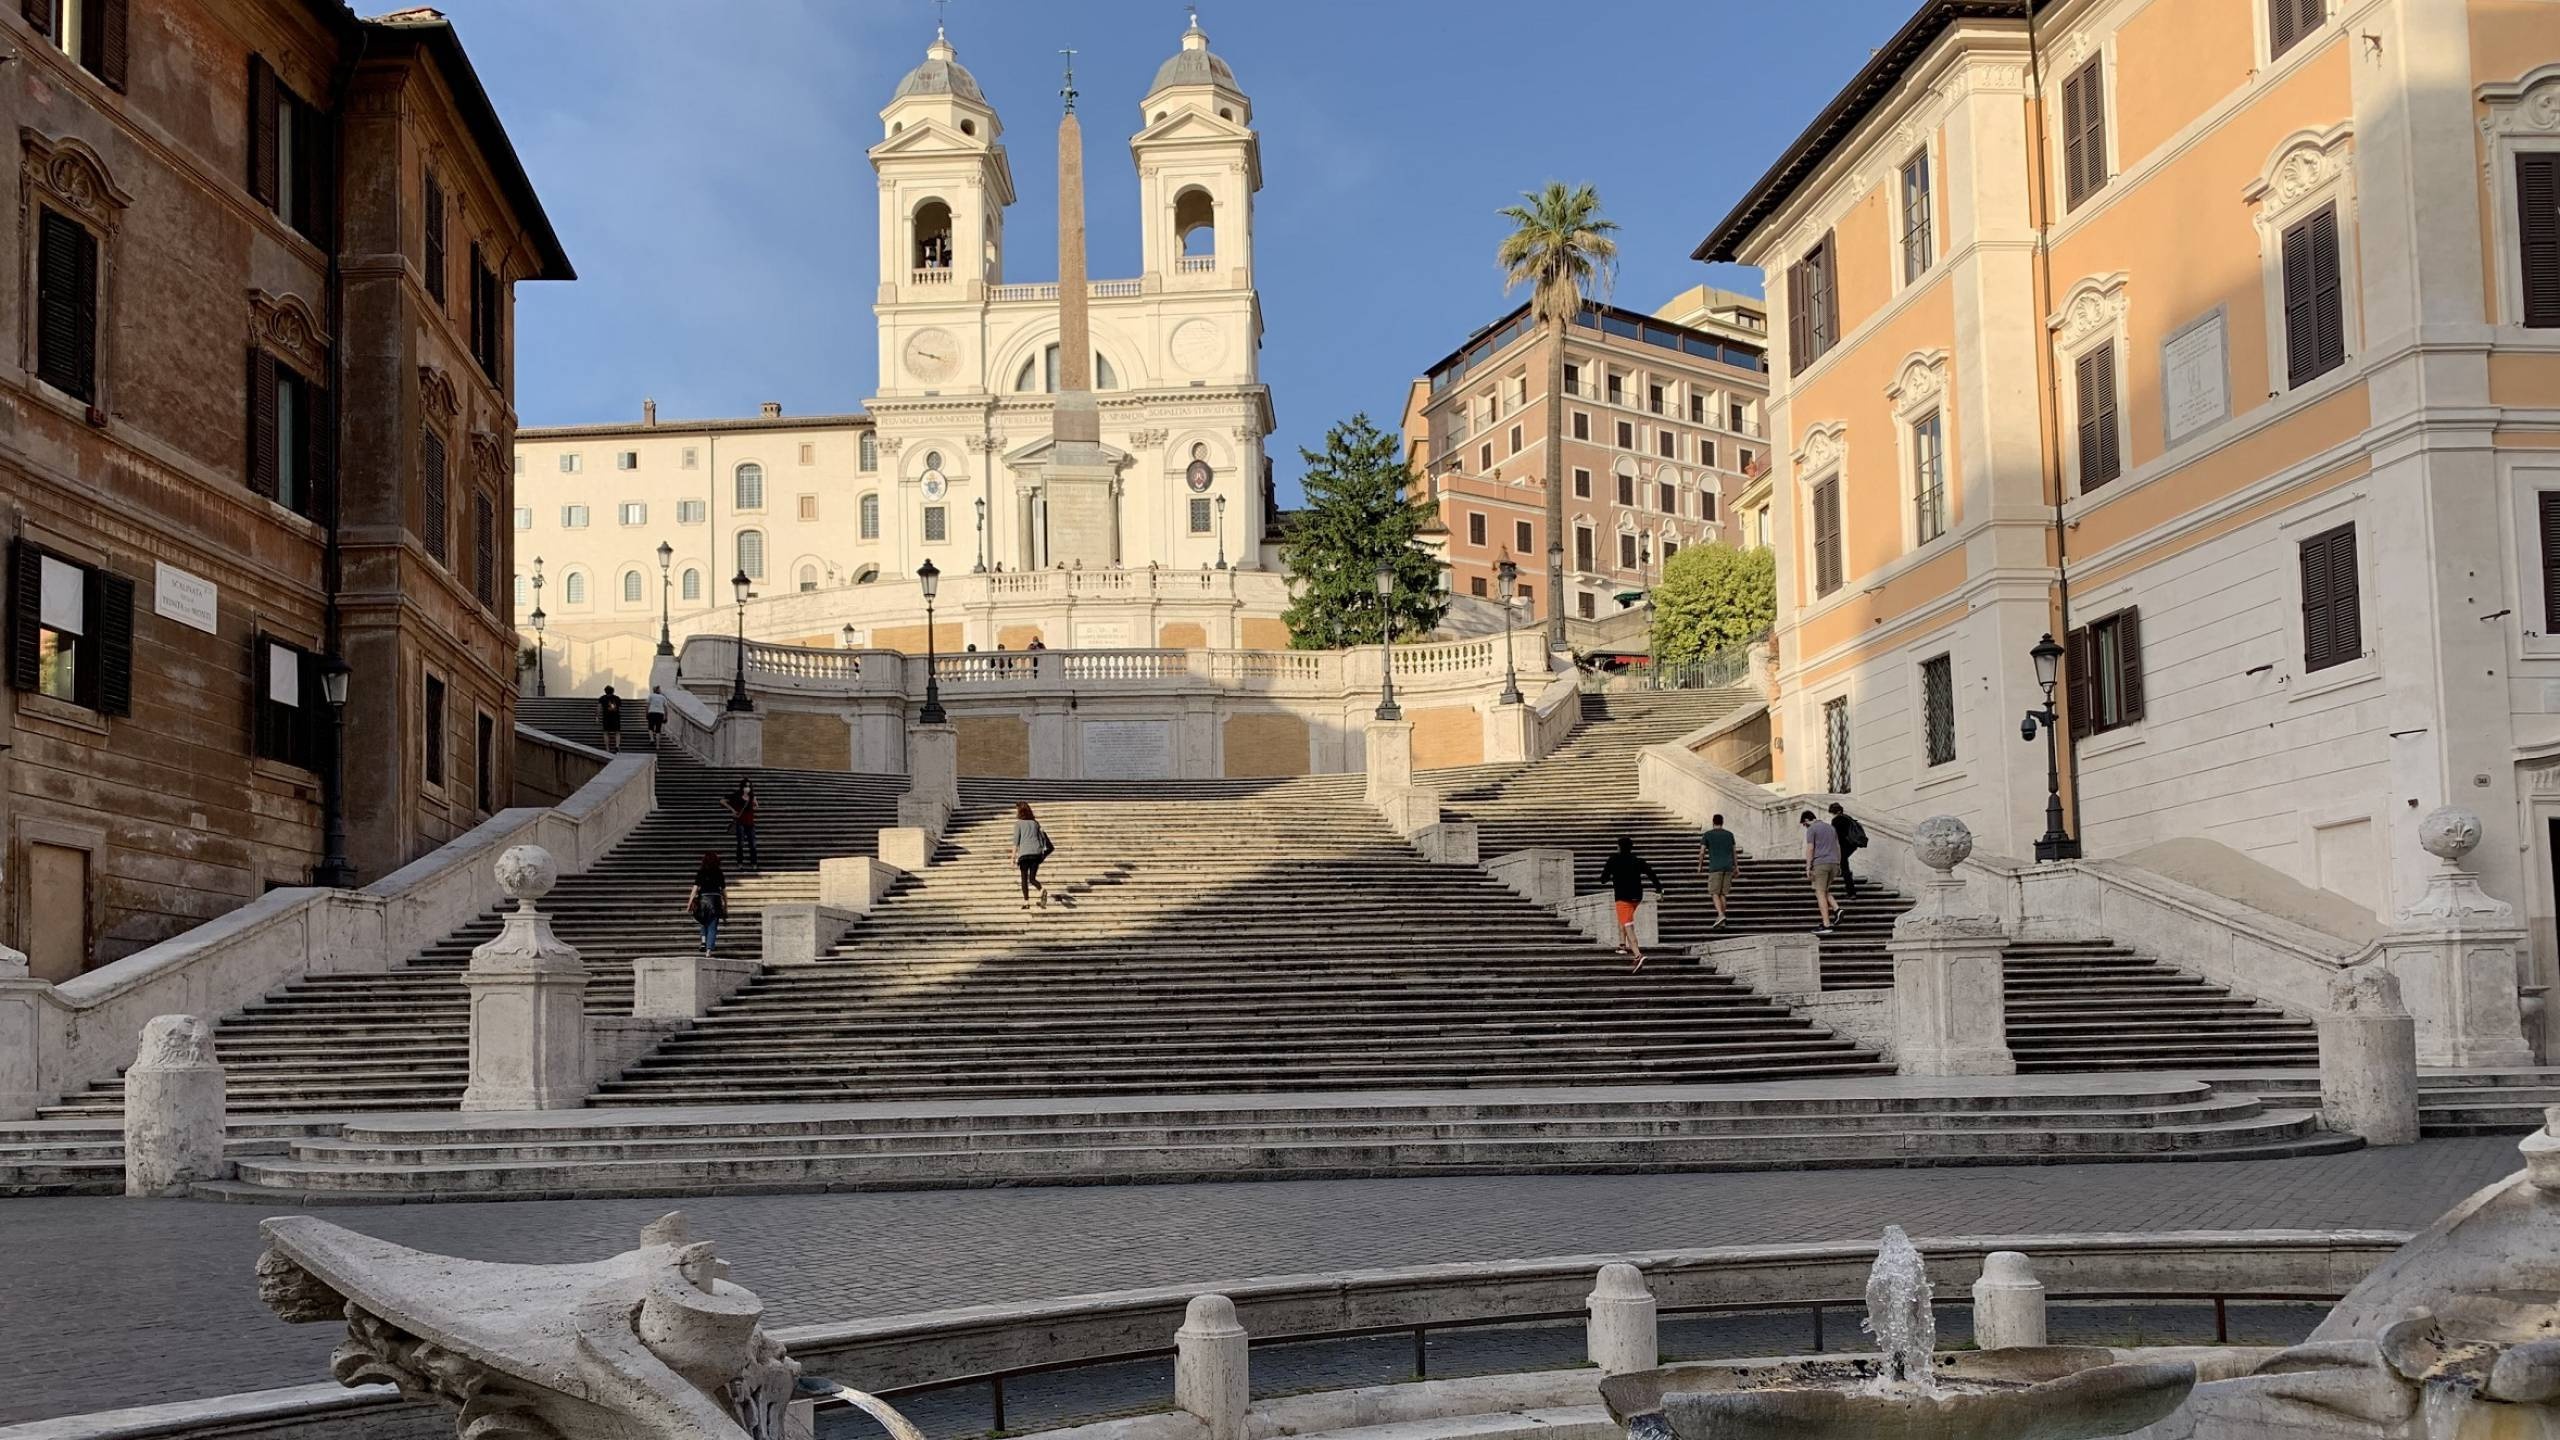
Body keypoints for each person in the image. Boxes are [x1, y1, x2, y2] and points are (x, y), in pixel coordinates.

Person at [1597, 835, 1666, 970]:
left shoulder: (1613, 859)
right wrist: (1659, 888)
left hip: (1623, 897)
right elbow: (1651, 873)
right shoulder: (1637, 860)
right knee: (1624, 918)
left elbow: (1603, 879)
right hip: (1636, 897)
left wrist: (1612, 874)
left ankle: (1637, 955)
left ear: (1618, 847)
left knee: (1629, 925)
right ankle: (1622, 945)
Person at [1801, 809, 1843, 935]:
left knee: (1819, 893)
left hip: (1821, 864)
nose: (1805, 826)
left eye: (1804, 824)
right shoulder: (1831, 828)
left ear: (1808, 820)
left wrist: (1808, 867)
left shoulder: (1812, 829)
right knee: (1824, 890)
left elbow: (1810, 848)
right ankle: (1837, 909)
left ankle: (1826, 925)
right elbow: (1838, 846)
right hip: (1834, 863)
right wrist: (1839, 863)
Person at [1698, 813, 1738, 930]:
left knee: (1714, 893)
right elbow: (1734, 853)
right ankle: (1723, 921)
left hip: (1715, 867)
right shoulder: (1729, 835)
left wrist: (1700, 866)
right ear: (1722, 822)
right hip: (1728, 867)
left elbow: (1702, 852)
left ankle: (1720, 915)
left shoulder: (1707, 835)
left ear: (1713, 822)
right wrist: (1737, 867)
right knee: (1723, 894)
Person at [684, 851, 727, 955]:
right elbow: (724, 891)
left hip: (703, 899)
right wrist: (726, 905)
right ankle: (708, 950)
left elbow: (695, 889)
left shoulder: (701, 872)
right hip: (715, 900)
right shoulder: (719, 872)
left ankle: (703, 941)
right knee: (712, 925)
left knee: (703, 921)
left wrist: (689, 903)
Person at [1013, 801, 1053, 908]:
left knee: (1024, 879)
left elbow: (1016, 842)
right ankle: (1041, 889)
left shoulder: (1018, 824)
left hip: (1024, 854)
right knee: (1032, 878)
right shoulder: (1035, 823)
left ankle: (1026, 902)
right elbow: (1041, 838)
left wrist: (1013, 857)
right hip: (1036, 853)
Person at [1827, 802, 1869, 901]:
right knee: (1844, 865)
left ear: (1837, 811)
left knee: (1845, 868)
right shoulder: (1848, 818)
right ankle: (1849, 887)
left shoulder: (1837, 820)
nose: (1832, 815)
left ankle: (1851, 892)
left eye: (1833, 812)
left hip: (1843, 846)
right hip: (1852, 845)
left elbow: (1837, 836)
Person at [723, 780, 760, 871]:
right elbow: (722, 801)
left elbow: (756, 806)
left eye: (749, 786)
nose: (747, 788)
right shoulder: (737, 795)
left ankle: (754, 863)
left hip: (750, 823)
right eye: (745, 786)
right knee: (740, 844)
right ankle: (740, 863)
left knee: (753, 845)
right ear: (742, 787)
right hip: (740, 823)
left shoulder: (752, 796)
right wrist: (732, 810)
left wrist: (754, 805)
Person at [597, 685, 623, 754]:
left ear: (605, 691)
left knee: (606, 732)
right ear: (613, 691)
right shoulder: (617, 698)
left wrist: (597, 716)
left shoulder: (602, 698)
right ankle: (617, 746)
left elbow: (599, 708)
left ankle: (607, 748)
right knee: (617, 732)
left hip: (606, 717)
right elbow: (620, 708)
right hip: (616, 717)